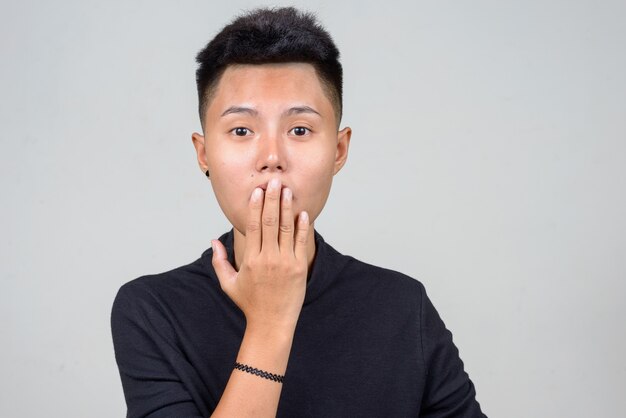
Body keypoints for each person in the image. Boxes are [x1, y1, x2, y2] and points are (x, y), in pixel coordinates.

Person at [111, 6, 487, 418]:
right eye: (241, 131)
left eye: (300, 130)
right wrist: (270, 322)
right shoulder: (152, 309)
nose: (272, 157)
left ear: (339, 151)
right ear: (204, 154)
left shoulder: (402, 306)